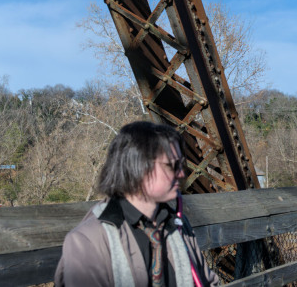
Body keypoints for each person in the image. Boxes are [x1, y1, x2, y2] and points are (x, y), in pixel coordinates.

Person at [55, 121, 220, 286]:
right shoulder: (88, 240)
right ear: (138, 167)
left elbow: (207, 281)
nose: (182, 173)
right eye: (172, 165)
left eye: (181, 165)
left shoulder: (179, 225)